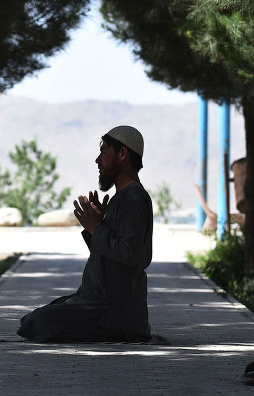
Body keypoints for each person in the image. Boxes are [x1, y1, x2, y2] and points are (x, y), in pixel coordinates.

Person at [17, 125, 153, 343]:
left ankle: (121, 331)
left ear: (122, 154)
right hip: (98, 301)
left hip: (114, 312)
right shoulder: (123, 197)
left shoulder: (133, 198)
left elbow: (130, 254)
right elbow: (109, 257)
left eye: (103, 152)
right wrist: (98, 226)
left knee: (37, 323)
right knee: (42, 315)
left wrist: (96, 228)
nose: (98, 161)